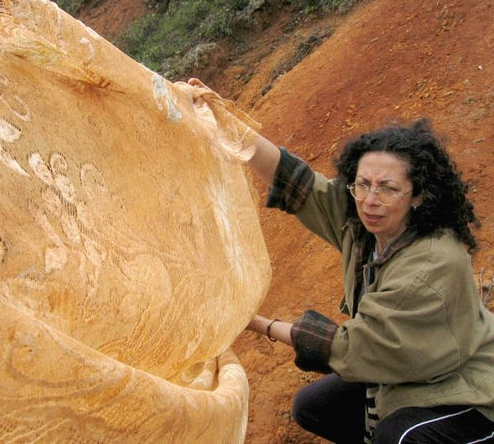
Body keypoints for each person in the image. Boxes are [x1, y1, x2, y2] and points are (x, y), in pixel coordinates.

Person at [177, 78, 494, 443]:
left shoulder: (429, 267)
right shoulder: (362, 224)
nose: (370, 199)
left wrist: (259, 323)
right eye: (362, 184)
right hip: (401, 370)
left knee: (398, 437)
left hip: (461, 386)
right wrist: (226, 124)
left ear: (418, 196)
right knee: (312, 406)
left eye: (388, 188)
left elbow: (348, 348)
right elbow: (301, 185)